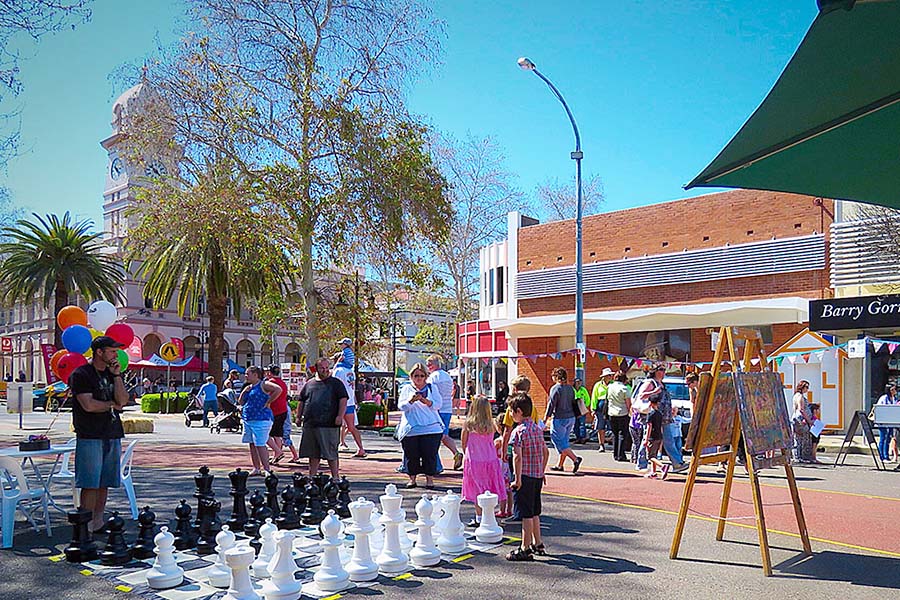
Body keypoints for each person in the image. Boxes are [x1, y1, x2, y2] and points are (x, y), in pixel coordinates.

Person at [68, 336, 128, 534]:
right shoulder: (81, 374)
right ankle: (83, 526)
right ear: (99, 352)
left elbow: (123, 400)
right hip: (90, 434)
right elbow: (89, 405)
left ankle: (98, 521)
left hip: (112, 433)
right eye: (111, 351)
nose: (115, 354)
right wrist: (111, 405)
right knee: (90, 482)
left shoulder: (112, 374)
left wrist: (117, 376)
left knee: (105, 482)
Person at [506, 392, 549, 562]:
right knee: (535, 510)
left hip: (524, 476)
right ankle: (538, 542)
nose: (510, 414)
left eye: (511, 411)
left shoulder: (518, 432)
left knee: (525, 514)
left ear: (518, 411)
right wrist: (542, 470)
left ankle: (525, 546)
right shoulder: (538, 429)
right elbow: (545, 452)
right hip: (537, 475)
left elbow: (517, 456)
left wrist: (517, 478)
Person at [297, 357, 348, 479]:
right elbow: (301, 400)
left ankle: (335, 477)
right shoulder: (309, 384)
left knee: (331, 453)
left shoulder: (336, 383)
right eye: (322, 368)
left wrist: (340, 416)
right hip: (311, 424)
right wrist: (298, 417)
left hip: (329, 424)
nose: (325, 370)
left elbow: (343, 400)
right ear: (316, 369)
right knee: (313, 454)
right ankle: (312, 477)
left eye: (327, 368)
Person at [397, 363, 444, 489]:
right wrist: (411, 400)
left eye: (422, 375)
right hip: (411, 429)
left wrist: (425, 401)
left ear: (426, 376)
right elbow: (401, 406)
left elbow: (438, 405)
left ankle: (430, 480)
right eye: (416, 375)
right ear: (411, 376)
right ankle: (412, 479)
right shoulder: (407, 388)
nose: (419, 378)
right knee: (411, 455)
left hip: (431, 428)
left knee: (430, 454)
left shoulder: (432, 388)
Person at [462, 395, 507, 527]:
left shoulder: (469, 424)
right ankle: (489, 514)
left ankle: (479, 517)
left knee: (477, 489)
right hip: (490, 459)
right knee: (489, 487)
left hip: (474, 460)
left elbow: (464, 443)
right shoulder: (491, 424)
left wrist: (467, 453)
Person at [637, 365, 687, 472]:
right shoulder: (650, 383)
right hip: (654, 416)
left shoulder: (662, 384)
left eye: (664, 370)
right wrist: (654, 391)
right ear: (654, 371)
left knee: (669, 441)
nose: (663, 372)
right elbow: (641, 396)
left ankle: (677, 463)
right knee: (647, 439)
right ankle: (641, 463)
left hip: (664, 417)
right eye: (661, 370)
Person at [238, 365, 280, 476]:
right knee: (252, 443)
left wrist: (268, 402)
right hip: (248, 419)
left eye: (248, 374)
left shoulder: (263, 384)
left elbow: (278, 389)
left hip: (261, 419)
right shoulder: (249, 387)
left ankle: (267, 468)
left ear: (255, 375)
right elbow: (241, 402)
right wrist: (244, 392)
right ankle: (256, 467)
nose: (245, 376)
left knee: (260, 443)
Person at [426, 354, 463, 471]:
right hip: (447, 409)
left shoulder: (433, 378)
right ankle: (456, 453)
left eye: (429, 364)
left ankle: (436, 465)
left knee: (433, 436)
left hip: (437, 409)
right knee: (443, 435)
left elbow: (429, 393)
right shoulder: (447, 376)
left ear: (434, 365)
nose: (427, 367)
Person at [545, 367, 583, 473]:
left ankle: (575, 459)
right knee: (564, 441)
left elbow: (551, 404)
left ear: (556, 377)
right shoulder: (570, 388)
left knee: (557, 440)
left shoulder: (556, 388)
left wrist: (545, 417)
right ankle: (560, 465)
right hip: (571, 417)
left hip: (560, 418)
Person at [331, 354, 366, 458]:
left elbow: (332, 381)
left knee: (334, 426)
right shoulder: (351, 371)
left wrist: (336, 365)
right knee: (351, 427)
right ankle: (360, 448)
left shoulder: (338, 370)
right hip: (349, 402)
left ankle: (332, 448)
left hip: (339, 402)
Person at [265, 364, 290, 464]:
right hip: (283, 410)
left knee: (268, 433)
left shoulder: (270, 383)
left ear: (270, 372)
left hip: (273, 411)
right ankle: (277, 454)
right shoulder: (282, 383)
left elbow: (266, 395)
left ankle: (278, 452)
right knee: (277, 434)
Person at [606, 370, 632, 461]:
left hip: (611, 413)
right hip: (622, 413)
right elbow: (628, 403)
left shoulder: (609, 387)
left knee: (615, 434)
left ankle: (615, 454)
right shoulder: (625, 389)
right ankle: (621, 455)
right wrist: (631, 413)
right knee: (622, 434)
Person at [643, 394, 670, 480]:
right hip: (659, 436)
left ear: (650, 403)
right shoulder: (659, 414)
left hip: (652, 437)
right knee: (653, 454)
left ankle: (662, 466)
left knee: (651, 456)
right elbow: (661, 426)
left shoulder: (650, 414)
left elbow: (649, 427)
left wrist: (646, 439)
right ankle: (653, 472)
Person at [791, 379, 815, 463]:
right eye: (806, 387)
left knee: (798, 438)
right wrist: (808, 420)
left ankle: (797, 456)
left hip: (796, 419)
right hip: (801, 420)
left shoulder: (795, 395)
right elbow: (801, 409)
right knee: (802, 437)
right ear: (802, 387)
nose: (807, 389)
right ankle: (800, 456)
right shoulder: (800, 396)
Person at [590, 368, 614, 449]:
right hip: (600, 408)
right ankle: (601, 444)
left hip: (611, 406)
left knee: (612, 426)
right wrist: (593, 409)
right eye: (608, 375)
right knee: (600, 427)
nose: (610, 377)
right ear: (604, 377)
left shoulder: (613, 384)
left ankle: (614, 443)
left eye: (610, 375)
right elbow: (594, 397)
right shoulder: (598, 385)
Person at [874, 384, 895, 462]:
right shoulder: (884, 398)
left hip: (890, 421)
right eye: (892, 390)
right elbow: (881, 409)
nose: (894, 391)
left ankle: (886, 456)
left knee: (888, 438)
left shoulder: (893, 398)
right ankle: (882, 456)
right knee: (883, 438)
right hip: (883, 421)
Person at [573, 378, 590, 444]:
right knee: (575, 424)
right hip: (574, 409)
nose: (579, 383)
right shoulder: (572, 390)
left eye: (580, 382)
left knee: (582, 424)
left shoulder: (583, 390)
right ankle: (578, 438)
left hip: (581, 408)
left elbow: (587, 399)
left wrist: (585, 406)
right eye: (577, 382)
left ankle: (583, 438)